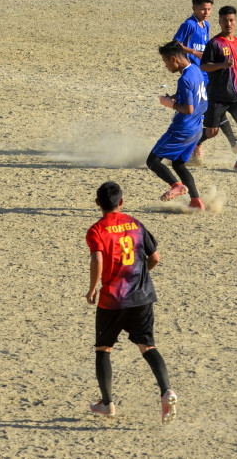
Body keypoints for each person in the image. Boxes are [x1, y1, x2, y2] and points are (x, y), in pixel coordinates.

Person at [86, 181, 177, 425]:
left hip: (113, 300)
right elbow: (155, 257)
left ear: (98, 204)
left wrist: (92, 287)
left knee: (103, 349)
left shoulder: (96, 230)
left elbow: (97, 259)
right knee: (147, 346)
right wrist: (142, 275)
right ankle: (167, 390)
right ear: (121, 202)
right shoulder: (135, 224)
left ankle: (106, 404)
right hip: (142, 297)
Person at [173, 0, 237, 163]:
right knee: (210, 109)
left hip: (206, 75)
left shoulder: (206, 25)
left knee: (211, 108)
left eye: (208, 9)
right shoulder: (189, 24)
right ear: (194, 8)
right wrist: (193, 53)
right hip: (194, 75)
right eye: (202, 9)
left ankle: (196, 145)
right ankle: (200, 145)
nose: (206, 12)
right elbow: (175, 44)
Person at [196, 5, 237, 172]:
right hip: (217, 96)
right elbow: (204, 66)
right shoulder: (214, 43)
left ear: (236, 22)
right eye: (225, 21)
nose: (228, 24)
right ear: (219, 22)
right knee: (211, 133)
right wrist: (222, 64)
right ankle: (192, 147)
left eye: (231, 20)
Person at [146, 40, 207, 212]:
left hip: (182, 128)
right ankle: (196, 201)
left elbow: (188, 108)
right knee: (178, 164)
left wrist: (168, 103)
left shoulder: (184, 79)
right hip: (197, 128)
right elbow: (197, 97)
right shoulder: (195, 70)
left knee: (152, 161)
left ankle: (177, 186)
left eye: (166, 62)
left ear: (174, 59)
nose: (166, 66)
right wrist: (174, 97)